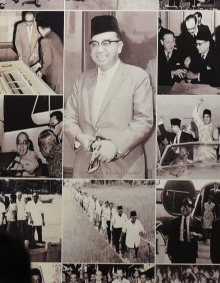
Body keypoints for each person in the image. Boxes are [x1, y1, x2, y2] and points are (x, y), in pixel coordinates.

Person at [63, 15, 154, 178]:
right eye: (95, 44)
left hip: (123, 171)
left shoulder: (138, 77)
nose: (100, 50)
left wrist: (115, 146)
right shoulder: (81, 80)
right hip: (84, 172)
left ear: (119, 46)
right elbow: (68, 117)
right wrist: (79, 137)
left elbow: (144, 120)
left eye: (106, 43)